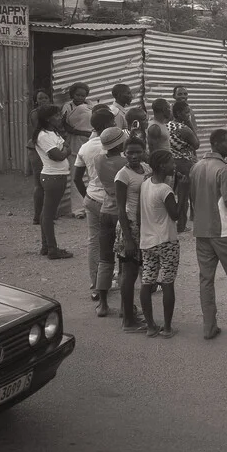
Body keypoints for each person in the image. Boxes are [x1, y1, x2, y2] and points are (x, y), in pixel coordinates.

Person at [189, 129, 227, 339]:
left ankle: (209, 326)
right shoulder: (225, 171)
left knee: (206, 279)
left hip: (202, 230)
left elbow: (192, 199)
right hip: (224, 232)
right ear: (217, 144)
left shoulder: (196, 167)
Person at [138, 150, 182, 339]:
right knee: (167, 282)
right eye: (172, 163)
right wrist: (183, 190)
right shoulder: (165, 190)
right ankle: (168, 328)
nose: (174, 165)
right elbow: (176, 215)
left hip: (147, 241)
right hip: (166, 241)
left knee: (147, 282)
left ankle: (150, 326)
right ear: (163, 166)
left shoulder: (146, 184)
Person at [74, 106, 116, 300]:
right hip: (112, 200)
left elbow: (76, 178)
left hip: (92, 198)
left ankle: (96, 283)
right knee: (118, 241)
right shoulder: (114, 144)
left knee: (94, 242)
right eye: (113, 122)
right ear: (107, 124)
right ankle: (118, 279)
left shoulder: (86, 147)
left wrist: (86, 196)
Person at [115, 136, 151, 333]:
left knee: (135, 273)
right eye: (130, 152)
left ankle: (129, 313)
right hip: (129, 227)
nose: (134, 156)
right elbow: (120, 209)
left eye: (138, 152)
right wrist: (128, 239)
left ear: (144, 151)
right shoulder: (122, 175)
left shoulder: (146, 169)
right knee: (128, 275)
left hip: (144, 225)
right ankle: (128, 320)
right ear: (124, 153)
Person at [94, 127, 129, 317]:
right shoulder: (126, 163)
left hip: (105, 211)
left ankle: (103, 304)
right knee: (125, 261)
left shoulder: (99, 160)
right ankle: (126, 305)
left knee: (105, 259)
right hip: (122, 214)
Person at [33, 105, 73, 259]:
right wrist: (64, 151)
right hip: (53, 177)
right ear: (48, 118)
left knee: (46, 213)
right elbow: (58, 155)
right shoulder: (43, 136)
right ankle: (52, 249)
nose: (60, 118)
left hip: (57, 176)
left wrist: (64, 150)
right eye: (56, 115)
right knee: (49, 214)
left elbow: (65, 147)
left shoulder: (53, 132)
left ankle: (46, 246)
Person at [62, 82, 94, 219]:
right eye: (77, 95)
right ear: (72, 94)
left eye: (83, 95)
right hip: (74, 143)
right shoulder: (67, 106)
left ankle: (92, 207)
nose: (80, 98)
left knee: (92, 175)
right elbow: (65, 125)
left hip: (89, 143)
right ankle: (78, 209)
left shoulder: (90, 105)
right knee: (77, 177)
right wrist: (81, 132)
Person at [168, 102, 200, 233]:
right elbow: (196, 144)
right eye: (186, 112)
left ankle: (171, 222)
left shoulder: (168, 125)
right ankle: (181, 225)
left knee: (171, 192)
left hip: (171, 161)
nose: (188, 115)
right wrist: (190, 123)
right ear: (179, 113)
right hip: (184, 163)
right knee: (183, 194)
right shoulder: (184, 129)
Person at [26, 90, 53, 224]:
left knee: (47, 183)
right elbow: (40, 129)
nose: (43, 100)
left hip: (47, 147)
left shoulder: (51, 112)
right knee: (39, 183)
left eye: (46, 97)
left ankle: (46, 216)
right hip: (36, 148)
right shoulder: (35, 113)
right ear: (36, 101)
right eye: (40, 98)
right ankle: (38, 216)